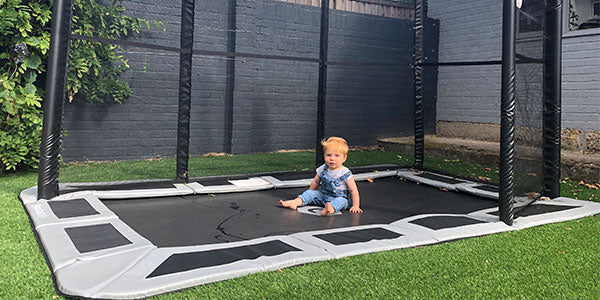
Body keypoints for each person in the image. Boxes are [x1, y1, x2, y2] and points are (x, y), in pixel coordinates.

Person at [279, 137, 362, 216]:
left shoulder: (345, 173)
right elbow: (315, 181)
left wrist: (355, 205)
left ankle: (330, 209)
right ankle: (295, 202)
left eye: (337, 156)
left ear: (344, 158)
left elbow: (353, 190)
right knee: (309, 193)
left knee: (341, 201)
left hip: (338, 198)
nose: (332, 158)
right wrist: (310, 195)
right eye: (328, 155)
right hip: (323, 196)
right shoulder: (323, 168)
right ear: (324, 155)